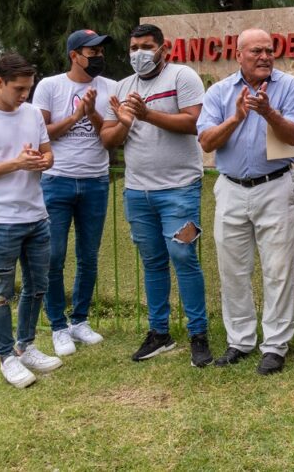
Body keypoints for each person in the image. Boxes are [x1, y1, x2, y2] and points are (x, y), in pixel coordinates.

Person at [100, 23, 212, 367]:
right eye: (133, 48)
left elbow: (195, 123)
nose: (139, 54)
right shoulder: (122, 87)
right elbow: (108, 139)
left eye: (147, 46)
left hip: (181, 190)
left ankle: (198, 334)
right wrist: (126, 120)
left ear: (165, 48)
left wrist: (148, 114)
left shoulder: (182, 77)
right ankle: (159, 333)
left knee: (184, 256)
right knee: (152, 262)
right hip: (138, 193)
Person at [197, 28, 294, 375]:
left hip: (275, 186)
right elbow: (206, 142)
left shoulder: (288, 87)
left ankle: (275, 346)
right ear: (239, 54)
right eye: (256, 51)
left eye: (269, 50)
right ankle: (240, 341)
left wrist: (268, 113)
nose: (264, 57)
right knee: (233, 269)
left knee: (278, 269)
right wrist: (237, 117)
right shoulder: (219, 92)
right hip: (230, 188)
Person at [0, 54, 63, 387]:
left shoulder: (32, 114)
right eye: (19, 89)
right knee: (1, 291)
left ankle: (26, 345)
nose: (24, 96)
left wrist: (41, 161)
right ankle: (6, 356)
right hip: (0, 221)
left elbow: (49, 153)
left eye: (28, 89)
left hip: (36, 216)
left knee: (37, 287)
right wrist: (16, 164)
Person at [33, 29, 115, 356]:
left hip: (95, 180)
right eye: (90, 51)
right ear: (74, 55)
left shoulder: (110, 87)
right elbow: (40, 134)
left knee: (88, 255)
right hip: (57, 180)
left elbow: (110, 134)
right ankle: (57, 325)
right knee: (53, 255)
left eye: (100, 52)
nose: (97, 57)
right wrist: (76, 115)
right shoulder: (50, 86)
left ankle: (80, 320)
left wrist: (92, 114)